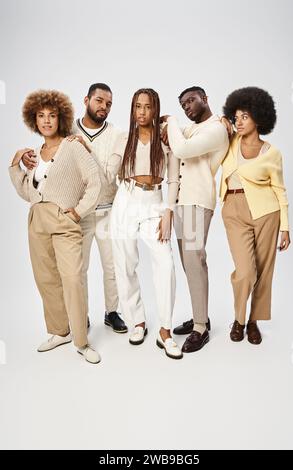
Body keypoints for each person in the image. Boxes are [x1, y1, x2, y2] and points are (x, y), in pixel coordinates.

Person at [22, 83, 127, 334]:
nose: (104, 107)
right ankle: (82, 315)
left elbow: (108, 175)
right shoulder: (68, 129)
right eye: (99, 100)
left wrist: (84, 148)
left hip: (107, 210)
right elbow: (52, 165)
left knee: (111, 266)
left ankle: (112, 311)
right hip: (76, 213)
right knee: (77, 270)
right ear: (86, 100)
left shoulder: (117, 135)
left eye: (109, 103)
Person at [9, 89, 102, 364]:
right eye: (41, 116)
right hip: (37, 220)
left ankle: (82, 341)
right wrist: (16, 164)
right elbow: (28, 192)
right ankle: (59, 331)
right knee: (46, 280)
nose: (46, 121)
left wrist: (78, 212)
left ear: (60, 118)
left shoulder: (73, 145)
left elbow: (94, 181)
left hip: (64, 221)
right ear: (33, 120)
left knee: (72, 279)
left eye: (51, 115)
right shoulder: (34, 155)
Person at [110, 88, 182, 359]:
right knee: (125, 263)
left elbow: (174, 178)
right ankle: (137, 321)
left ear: (155, 109)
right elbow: (111, 168)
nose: (141, 112)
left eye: (147, 107)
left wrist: (169, 212)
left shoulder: (165, 138)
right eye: (137, 106)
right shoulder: (123, 138)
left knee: (165, 262)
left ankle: (165, 331)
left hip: (155, 202)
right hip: (126, 199)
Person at [161, 86, 229, 353]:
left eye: (191, 100)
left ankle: (201, 327)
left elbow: (184, 149)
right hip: (180, 203)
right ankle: (201, 315)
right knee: (189, 264)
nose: (187, 107)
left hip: (197, 201)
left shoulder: (217, 128)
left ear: (205, 99)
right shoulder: (190, 129)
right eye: (182, 105)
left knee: (194, 261)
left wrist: (171, 122)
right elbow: (173, 152)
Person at [220, 86, 290, 344]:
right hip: (234, 209)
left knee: (263, 271)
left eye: (244, 117)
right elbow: (216, 131)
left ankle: (253, 322)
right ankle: (238, 319)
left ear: (259, 118)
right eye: (235, 117)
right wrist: (220, 123)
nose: (238, 121)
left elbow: (280, 191)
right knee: (246, 271)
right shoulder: (229, 141)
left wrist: (286, 227)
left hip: (266, 213)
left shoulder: (272, 153)